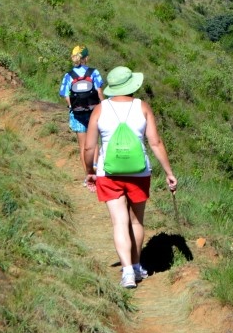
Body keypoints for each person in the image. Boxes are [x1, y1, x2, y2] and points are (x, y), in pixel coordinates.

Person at [83, 65, 177, 289]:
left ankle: (126, 273)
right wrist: (169, 172)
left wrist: (90, 171)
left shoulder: (100, 109)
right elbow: (155, 143)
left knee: (119, 222)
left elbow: (89, 147)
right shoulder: (142, 107)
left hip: (109, 173)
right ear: (132, 85)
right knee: (136, 221)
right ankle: (136, 266)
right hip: (139, 173)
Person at [59, 45, 103, 176]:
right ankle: (95, 168)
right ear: (86, 58)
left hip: (77, 114)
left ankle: (88, 175)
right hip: (94, 112)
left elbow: (65, 95)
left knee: (83, 146)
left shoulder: (68, 75)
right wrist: (104, 106)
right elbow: (99, 92)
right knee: (94, 143)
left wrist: (72, 107)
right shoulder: (94, 72)